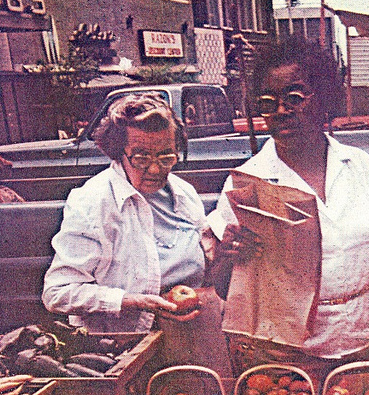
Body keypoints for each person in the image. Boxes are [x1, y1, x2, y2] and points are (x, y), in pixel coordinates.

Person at [209, 37, 369, 383]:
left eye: (294, 97)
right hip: (285, 356)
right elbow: (224, 287)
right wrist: (229, 255)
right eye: (268, 102)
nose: (282, 111)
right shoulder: (248, 183)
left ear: (324, 97)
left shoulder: (360, 166)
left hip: (363, 342)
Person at [42, 93, 231, 373]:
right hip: (125, 351)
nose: (155, 169)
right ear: (119, 152)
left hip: (191, 338)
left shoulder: (184, 194)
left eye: (166, 156)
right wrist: (137, 302)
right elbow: (57, 293)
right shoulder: (93, 202)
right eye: (141, 158)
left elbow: (204, 265)